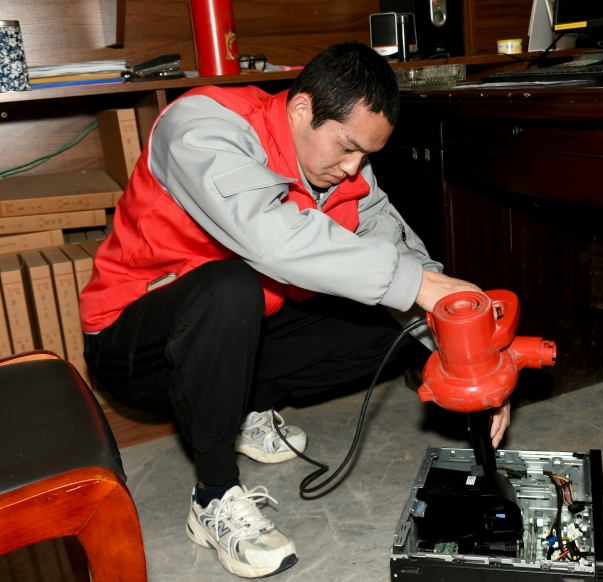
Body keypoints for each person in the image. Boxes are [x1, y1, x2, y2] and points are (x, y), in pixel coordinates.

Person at [80, 41, 511, 578]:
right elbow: (272, 240)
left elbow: (401, 259)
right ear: (303, 108)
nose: (354, 169)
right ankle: (213, 494)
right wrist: (419, 286)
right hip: (133, 343)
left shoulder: (347, 171)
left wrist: (471, 365)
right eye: (347, 147)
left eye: (366, 156)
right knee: (231, 284)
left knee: (393, 324)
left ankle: (241, 408)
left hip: (238, 335)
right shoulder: (202, 127)